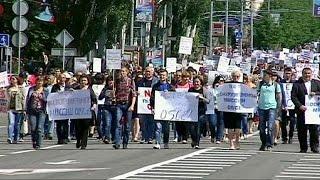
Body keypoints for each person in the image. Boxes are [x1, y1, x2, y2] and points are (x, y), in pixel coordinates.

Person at [291, 67, 320, 153]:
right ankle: (303, 148)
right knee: (302, 130)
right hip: (302, 110)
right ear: (302, 74)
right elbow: (293, 96)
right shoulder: (297, 84)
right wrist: (299, 106)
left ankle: (314, 147)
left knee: (314, 130)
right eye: (305, 73)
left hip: (313, 112)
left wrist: (316, 93)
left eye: (309, 73)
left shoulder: (317, 83)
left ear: (311, 74)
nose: (307, 75)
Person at [150, 69, 175, 149]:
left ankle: (166, 142)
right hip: (158, 109)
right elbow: (152, 98)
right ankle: (157, 142)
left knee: (166, 128)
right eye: (160, 75)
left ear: (167, 76)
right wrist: (152, 107)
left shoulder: (170, 87)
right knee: (158, 126)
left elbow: (175, 98)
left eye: (164, 75)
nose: (162, 76)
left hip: (167, 110)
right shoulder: (155, 86)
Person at [257, 70, 281, 151]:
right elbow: (256, 94)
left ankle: (269, 143)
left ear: (269, 76)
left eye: (265, 75)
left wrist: (278, 109)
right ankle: (263, 143)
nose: (263, 76)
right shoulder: (260, 84)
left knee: (270, 127)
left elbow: (279, 97)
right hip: (261, 107)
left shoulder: (275, 85)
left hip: (272, 107)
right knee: (261, 128)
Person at [113, 66, 136, 149]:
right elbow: (114, 92)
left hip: (127, 104)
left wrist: (132, 105)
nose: (122, 73)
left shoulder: (130, 81)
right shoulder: (117, 81)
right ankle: (117, 142)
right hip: (119, 104)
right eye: (121, 71)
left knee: (127, 126)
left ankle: (125, 142)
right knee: (118, 124)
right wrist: (113, 96)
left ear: (127, 72)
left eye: (123, 71)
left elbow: (134, 94)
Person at [223, 70, 244, 150]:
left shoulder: (242, 85)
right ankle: (231, 143)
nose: (236, 78)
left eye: (237, 76)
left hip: (238, 109)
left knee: (238, 128)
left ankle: (237, 141)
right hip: (229, 108)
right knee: (230, 127)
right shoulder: (227, 85)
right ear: (232, 76)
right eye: (234, 76)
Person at [136, 66, 158, 144]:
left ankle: (150, 137)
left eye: (149, 71)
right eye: (146, 71)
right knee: (142, 121)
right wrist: (137, 92)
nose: (148, 73)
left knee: (151, 121)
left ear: (153, 72)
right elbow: (135, 90)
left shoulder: (156, 81)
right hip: (142, 105)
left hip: (152, 104)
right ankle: (144, 136)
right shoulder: (140, 81)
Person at [26, 76, 49, 149]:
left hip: (41, 111)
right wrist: (26, 109)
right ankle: (34, 141)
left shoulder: (46, 90)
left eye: (41, 81)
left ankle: (38, 144)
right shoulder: (31, 89)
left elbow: (48, 100)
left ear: (43, 82)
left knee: (39, 128)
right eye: (38, 81)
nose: (39, 82)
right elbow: (27, 99)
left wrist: (42, 97)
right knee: (33, 128)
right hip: (32, 110)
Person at [75, 75, 97, 149]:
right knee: (78, 127)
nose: (83, 82)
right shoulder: (76, 89)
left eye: (85, 80)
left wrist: (93, 106)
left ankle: (84, 144)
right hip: (78, 111)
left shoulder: (89, 89)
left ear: (87, 81)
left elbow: (94, 99)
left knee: (85, 127)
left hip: (87, 111)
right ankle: (78, 140)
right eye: (82, 80)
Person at [189, 76, 210, 149]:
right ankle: (193, 140)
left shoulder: (204, 90)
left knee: (198, 127)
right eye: (195, 82)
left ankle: (197, 142)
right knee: (191, 128)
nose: (196, 83)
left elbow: (208, 101)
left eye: (197, 82)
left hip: (201, 111)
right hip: (192, 111)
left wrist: (202, 98)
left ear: (200, 83)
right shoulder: (190, 89)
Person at [51, 73, 71, 144]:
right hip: (58, 108)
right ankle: (60, 138)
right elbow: (52, 96)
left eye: (63, 78)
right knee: (59, 124)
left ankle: (65, 137)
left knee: (65, 123)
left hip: (66, 107)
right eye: (60, 78)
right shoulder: (55, 87)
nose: (62, 79)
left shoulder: (68, 87)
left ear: (65, 79)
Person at [280, 67, 296, 144]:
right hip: (283, 106)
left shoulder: (295, 83)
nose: (287, 75)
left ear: (291, 74)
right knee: (283, 123)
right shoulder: (280, 82)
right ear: (284, 74)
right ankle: (284, 137)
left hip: (292, 106)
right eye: (286, 73)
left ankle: (291, 136)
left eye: (289, 73)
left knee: (292, 122)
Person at [99, 76, 117, 144]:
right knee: (107, 123)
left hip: (115, 107)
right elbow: (100, 97)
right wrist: (106, 93)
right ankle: (107, 137)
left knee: (115, 124)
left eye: (112, 80)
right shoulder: (105, 88)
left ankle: (114, 137)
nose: (111, 82)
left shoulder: (117, 88)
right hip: (107, 107)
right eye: (109, 80)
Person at [7, 76, 25, 144]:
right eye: (11, 79)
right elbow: (6, 98)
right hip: (11, 108)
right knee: (11, 123)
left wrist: (24, 109)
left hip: (19, 108)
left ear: (17, 80)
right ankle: (10, 137)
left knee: (17, 124)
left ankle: (15, 138)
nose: (12, 80)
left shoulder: (21, 88)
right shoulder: (8, 88)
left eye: (13, 79)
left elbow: (23, 99)